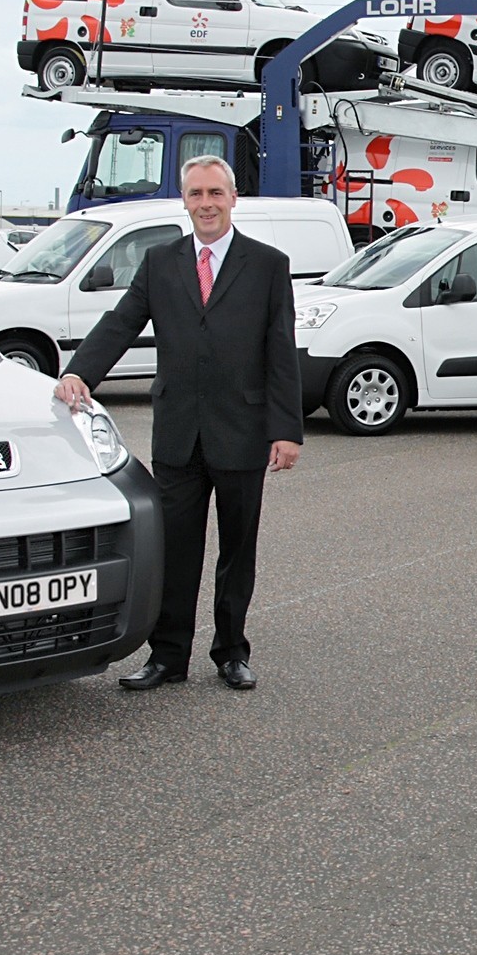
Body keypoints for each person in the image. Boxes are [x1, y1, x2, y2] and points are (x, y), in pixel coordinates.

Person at [54, 155, 302, 690]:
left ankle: (231, 652)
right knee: (176, 551)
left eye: (216, 193)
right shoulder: (160, 261)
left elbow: (281, 350)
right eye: (196, 194)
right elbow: (121, 321)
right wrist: (80, 373)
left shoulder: (267, 264)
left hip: (242, 431)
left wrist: (286, 430)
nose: (206, 204)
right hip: (178, 434)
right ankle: (167, 656)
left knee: (238, 551)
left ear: (233, 198)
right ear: (184, 200)